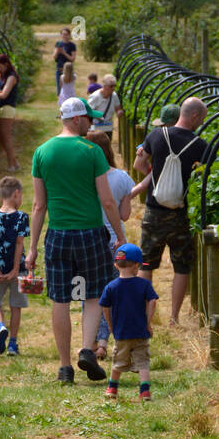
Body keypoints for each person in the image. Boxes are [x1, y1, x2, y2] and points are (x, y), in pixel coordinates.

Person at [28, 96, 126, 386]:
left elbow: (38, 205)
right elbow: (107, 201)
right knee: (93, 293)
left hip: (57, 234)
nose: (92, 123)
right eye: (88, 118)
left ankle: (64, 367)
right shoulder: (92, 151)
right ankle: (86, 349)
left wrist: (32, 247)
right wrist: (120, 236)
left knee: (61, 299)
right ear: (75, 119)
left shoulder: (42, 152)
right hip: (90, 233)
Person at [134, 96, 208, 325]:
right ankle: (174, 317)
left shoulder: (155, 135)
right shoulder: (200, 145)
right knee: (182, 265)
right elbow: (203, 179)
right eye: (201, 119)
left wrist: (154, 173)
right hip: (180, 214)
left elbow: (138, 163)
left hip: (153, 210)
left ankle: (144, 314)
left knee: (146, 263)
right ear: (194, 116)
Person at [85, 128, 133, 362]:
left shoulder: (82, 176)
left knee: (90, 292)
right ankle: (105, 342)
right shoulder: (122, 177)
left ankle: (91, 341)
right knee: (111, 291)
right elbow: (124, 215)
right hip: (115, 241)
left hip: (89, 239)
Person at [100, 244, 158, 402]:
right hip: (140, 331)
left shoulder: (111, 287)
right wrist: (148, 322)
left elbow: (104, 306)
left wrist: (111, 325)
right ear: (136, 265)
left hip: (121, 332)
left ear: (115, 265)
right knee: (143, 362)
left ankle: (112, 388)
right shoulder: (144, 284)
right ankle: (144, 392)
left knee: (118, 361)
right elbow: (152, 301)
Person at [0, 175, 29, 357]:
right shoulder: (21, 217)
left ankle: (0, 326)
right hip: (17, 268)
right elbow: (19, 243)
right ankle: (12, 344)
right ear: (16, 194)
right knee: (15, 306)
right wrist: (16, 269)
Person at [130, 103, 180, 201]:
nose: (163, 128)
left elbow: (138, 165)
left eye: (164, 125)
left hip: (157, 192)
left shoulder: (156, 135)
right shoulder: (189, 138)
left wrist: (153, 174)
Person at [0, 53, 20, 171]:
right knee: (1, 137)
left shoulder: (11, 77)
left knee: (6, 137)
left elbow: (4, 94)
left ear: (6, 64)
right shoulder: (2, 74)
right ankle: (14, 162)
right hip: (0, 108)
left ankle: (12, 164)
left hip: (7, 108)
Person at [53, 26, 76, 95]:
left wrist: (64, 53)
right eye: (63, 34)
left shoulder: (72, 45)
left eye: (66, 34)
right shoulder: (58, 44)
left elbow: (73, 59)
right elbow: (54, 57)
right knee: (59, 91)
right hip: (59, 69)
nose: (64, 36)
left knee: (68, 91)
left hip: (68, 70)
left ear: (69, 35)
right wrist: (57, 51)